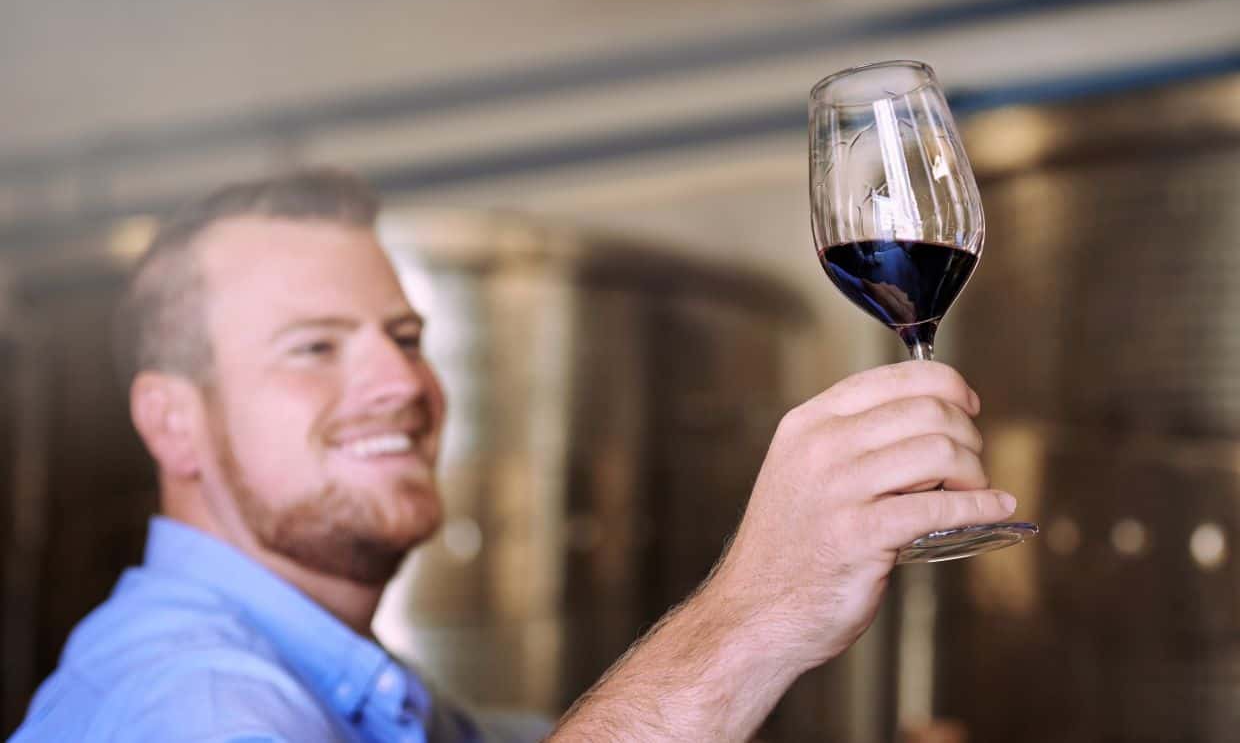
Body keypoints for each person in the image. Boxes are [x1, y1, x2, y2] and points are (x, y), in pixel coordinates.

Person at [10, 169, 1016, 742]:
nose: (401, 384)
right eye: (313, 347)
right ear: (171, 421)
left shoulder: (371, 694)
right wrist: (750, 615)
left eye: (403, 336)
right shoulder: (193, 701)